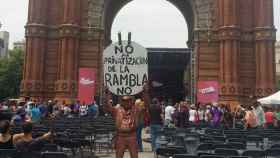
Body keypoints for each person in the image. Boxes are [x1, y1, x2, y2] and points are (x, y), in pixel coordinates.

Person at [104, 84, 149, 158]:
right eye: (124, 100)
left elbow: (146, 105)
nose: (126, 102)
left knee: (134, 156)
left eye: (128, 100)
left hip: (132, 135)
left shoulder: (136, 110)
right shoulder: (117, 110)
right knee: (119, 156)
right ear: (121, 101)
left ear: (132, 101)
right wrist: (107, 94)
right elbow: (107, 106)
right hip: (120, 136)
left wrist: (145, 93)